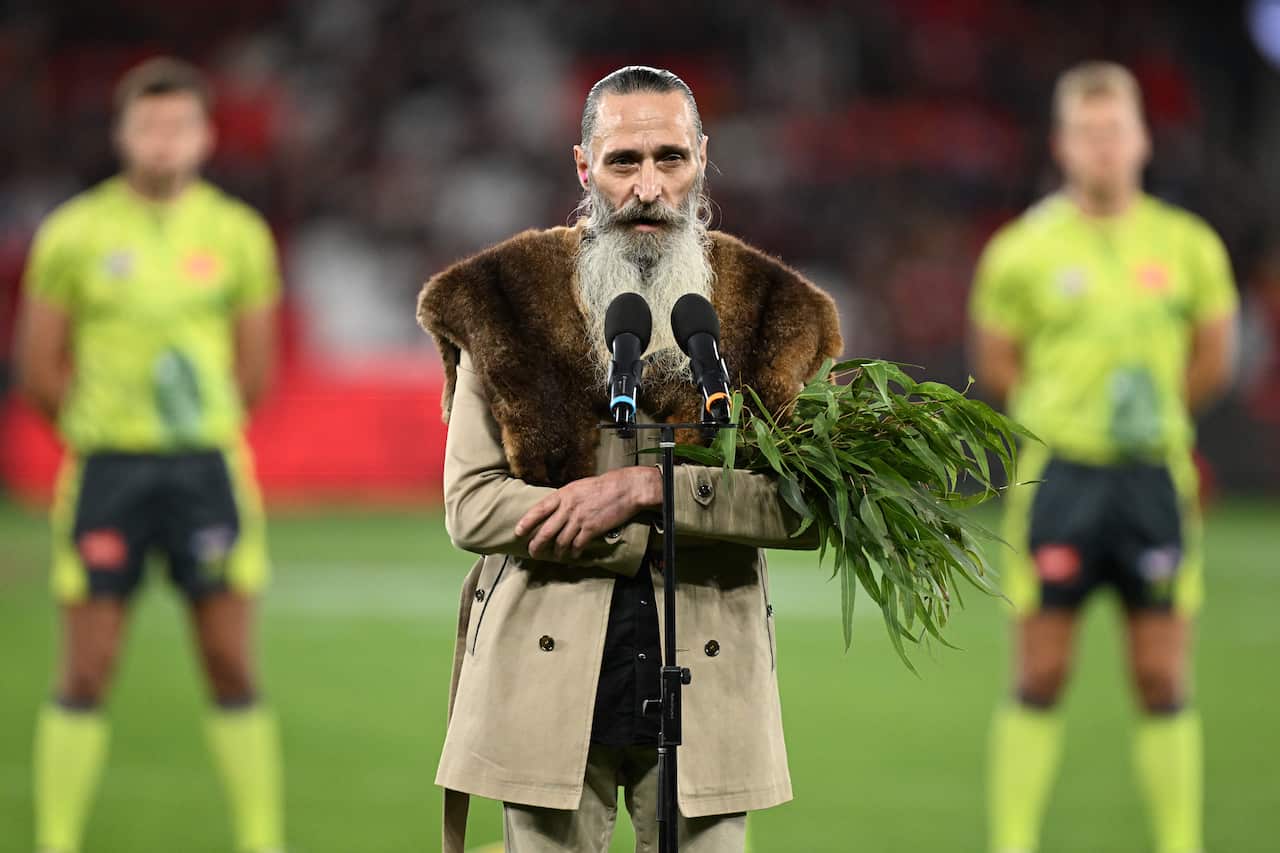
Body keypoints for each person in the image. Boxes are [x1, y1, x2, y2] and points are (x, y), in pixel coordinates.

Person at [417, 66, 842, 853]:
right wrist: (608, 513)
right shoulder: (506, 296)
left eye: (670, 158)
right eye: (623, 161)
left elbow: (808, 502)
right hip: (543, 679)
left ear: (702, 160)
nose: (648, 186)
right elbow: (471, 504)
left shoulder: (776, 310)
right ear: (584, 167)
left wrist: (648, 490)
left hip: (708, 678)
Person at [16, 57, 285, 853]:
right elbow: (36, 370)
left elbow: (257, 370)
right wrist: (107, 432)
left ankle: (261, 840)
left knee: (231, 665)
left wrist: (194, 427)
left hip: (207, 471)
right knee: (86, 670)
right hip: (107, 472)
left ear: (204, 135)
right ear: (122, 134)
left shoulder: (237, 233)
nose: (163, 140)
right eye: (147, 124)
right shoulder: (73, 233)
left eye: (179, 125)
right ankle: (55, 841)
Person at [970, 61, 1237, 853]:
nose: (1103, 146)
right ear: (1062, 145)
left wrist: (1155, 418)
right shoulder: (1021, 251)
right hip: (1062, 477)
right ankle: (1012, 844)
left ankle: (1179, 844)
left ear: (1143, 140)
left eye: (1115, 129)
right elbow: (998, 361)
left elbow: (1215, 355)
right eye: (1087, 132)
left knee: (1161, 677)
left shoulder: (1187, 244)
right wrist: (1069, 420)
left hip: (1154, 476)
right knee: (1041, 674)